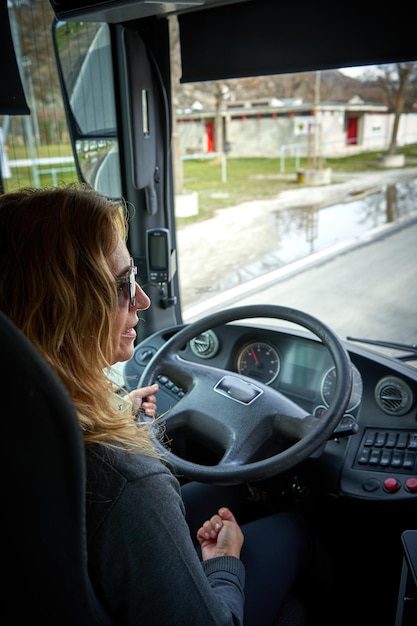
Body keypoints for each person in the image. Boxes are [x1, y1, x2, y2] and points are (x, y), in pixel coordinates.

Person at [0, 184, 332, 626]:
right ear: (65, 309)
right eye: (123, 284)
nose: (142, 300)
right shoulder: (125, 482)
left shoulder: (23, 421)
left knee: (231, 484)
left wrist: (122, 419)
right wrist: (223, 562)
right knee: (293, 529)